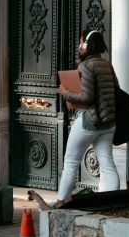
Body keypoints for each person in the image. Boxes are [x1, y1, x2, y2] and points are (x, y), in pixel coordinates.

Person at [28, 28, 120, 210]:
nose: (79, 46)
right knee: (107, 164)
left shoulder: (85, 66)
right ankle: (114, 203)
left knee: (70, 163)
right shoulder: (106, 64)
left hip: (89, 122)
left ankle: (60, 203)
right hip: (108, 123)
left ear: (86, 45)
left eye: (81, 43)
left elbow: (86, 98)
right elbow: (116, 90)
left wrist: (66, 93)